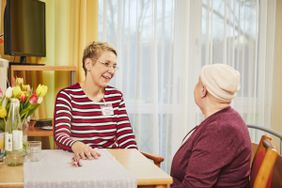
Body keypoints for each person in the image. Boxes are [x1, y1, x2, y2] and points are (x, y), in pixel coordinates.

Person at [170, 64, 251, 187]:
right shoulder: (225, 119)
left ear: (203, 91)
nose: (194, 87)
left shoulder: (220, 130)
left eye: (198, 83)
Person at [54, 41, 137, 160]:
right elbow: (61, 135)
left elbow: (126, 137)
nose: (112, 71)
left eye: (114, 66)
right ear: (88, 64)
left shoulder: (116, 97)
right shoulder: (67, 96)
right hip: (78, 161)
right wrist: (76, 145)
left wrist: (136, 160)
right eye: (106, 64)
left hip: (108, 162)